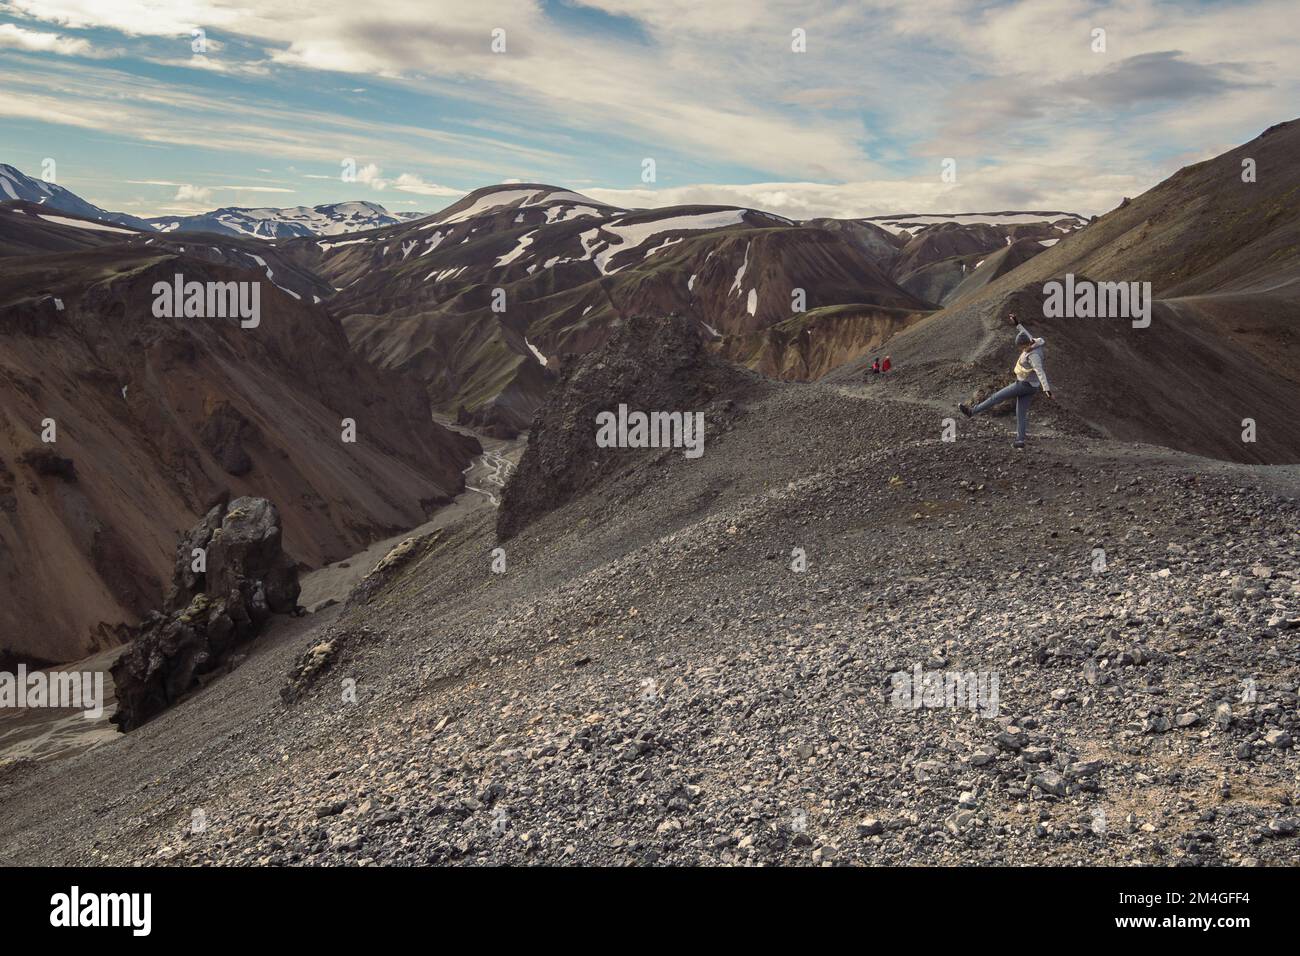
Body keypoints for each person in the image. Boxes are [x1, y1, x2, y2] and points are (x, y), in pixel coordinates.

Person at [959, 314, 1054, 449]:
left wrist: (1047, 390)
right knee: (1020, 413)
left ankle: (972, 412)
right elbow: (1025, 333)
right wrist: (1017, 323)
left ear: (1026, 344)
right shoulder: (1033, 342)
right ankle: (1020, 441)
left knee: (996, 397)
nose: (1021, 350)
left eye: (1021, 347)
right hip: (1031, 386)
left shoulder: (1034, 356)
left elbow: (1040, 372)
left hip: (1024, 385)